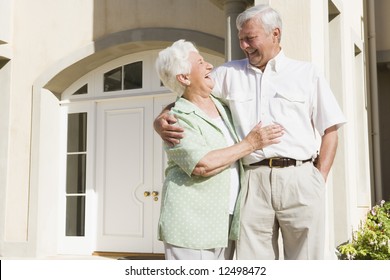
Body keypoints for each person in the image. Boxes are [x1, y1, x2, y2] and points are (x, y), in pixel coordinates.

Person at [154, 5, 347, 260]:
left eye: (250, 38)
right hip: (252, 182)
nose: (244, 45)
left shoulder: (307, 74)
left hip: (300, 178)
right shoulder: (228, 74)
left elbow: (330, 129)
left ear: (275, 34)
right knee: (253, 264)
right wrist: (160, 118)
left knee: (307, 261)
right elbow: (191, 96)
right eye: (241, 39)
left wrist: (317, 181)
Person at [155, 39, 284, 260]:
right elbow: (202, 165)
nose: (209, 66)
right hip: (191, 222)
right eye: (201, 62)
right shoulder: (176, 119)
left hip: (225, 219)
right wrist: (251, 144)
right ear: (184, 78)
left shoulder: (222, 105)